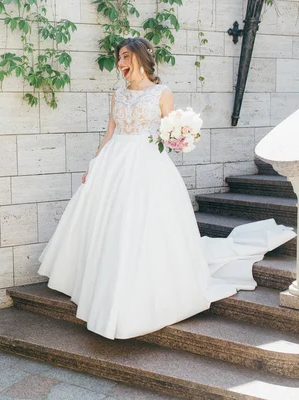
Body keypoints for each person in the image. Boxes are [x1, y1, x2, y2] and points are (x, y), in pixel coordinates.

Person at [37, 38, 295, 340]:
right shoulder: (117, 94)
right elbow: (109, 133)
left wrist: (178, 138)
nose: (120, 63)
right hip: (113, 163)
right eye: (118, 58)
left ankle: (139, 288)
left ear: (140, 58)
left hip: (147, 165)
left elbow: (167, 135)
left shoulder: (163, 93)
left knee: (142, 224)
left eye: (124, 56)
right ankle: (99, 284)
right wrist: (93, 165)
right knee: (109, 224)